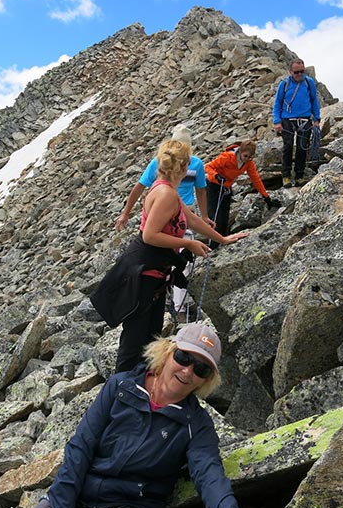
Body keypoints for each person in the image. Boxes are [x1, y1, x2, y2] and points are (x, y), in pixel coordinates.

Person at [0, 323, 275, 508]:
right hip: (79, 495)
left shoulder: (196, 424)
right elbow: (80, 449)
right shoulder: (120, 387)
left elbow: (210, 475)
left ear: (206, 380)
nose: (188, 370)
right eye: (183, 357)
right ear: (167, 352)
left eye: (201, 369)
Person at [91, 138, 248, 373]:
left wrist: (221, 238)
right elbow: (150, 235)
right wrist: (187, 243)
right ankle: (119, 393)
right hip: (143, 273)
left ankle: (141, 386)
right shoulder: (166, 194)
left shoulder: (166, 190)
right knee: (135, 341)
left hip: (152, 272)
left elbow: (191, 220)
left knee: (150, 336)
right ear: (185, 168)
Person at [115, 125, 214, 317]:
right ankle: (177, 303)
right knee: (179, 257)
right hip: (171, 213)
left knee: (177, 256)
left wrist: (204, 218)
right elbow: (200, 191)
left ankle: (176, 302)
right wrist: (204, 218)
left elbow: (140, 187)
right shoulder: (188, 166)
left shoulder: (164, 164)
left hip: (177, 213)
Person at [204, 140, 280, 242]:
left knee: (224, 216)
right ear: (240, 151)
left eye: (250, 157)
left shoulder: (248, 163)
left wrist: (266, 197)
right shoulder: (227, 157)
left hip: (226, 188)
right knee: (215, 215)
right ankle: (213, 243)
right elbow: (208, 167)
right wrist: (216, 175)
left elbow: (255, 179)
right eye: (245, 156)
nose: (247, 159)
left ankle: (223, 240)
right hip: (213, 185)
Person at [272, 59, 321, 188]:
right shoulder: (285, 84)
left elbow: (314, 101)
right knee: (287, 147)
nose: (299, 74)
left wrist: (317, 119)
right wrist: (277, 121)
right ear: (290, 72)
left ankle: (299, 175)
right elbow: (277, 103)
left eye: (302, 71)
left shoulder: (308, 82)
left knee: (302, 148)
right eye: (296, 72)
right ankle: (286, 176)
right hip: (287, 120)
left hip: (305, 119)